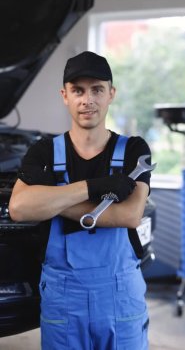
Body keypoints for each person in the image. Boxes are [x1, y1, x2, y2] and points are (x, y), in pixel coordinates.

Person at [9, 51, 152, 350]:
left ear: (111, 94)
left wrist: (53, 201)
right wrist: (93, 187)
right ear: (65, 96)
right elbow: (19, 208)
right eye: (78, 90)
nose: (88, 100)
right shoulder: (44, 151)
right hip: (63, 300)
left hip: (120, 297)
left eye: (97, 89)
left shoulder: (133, 150)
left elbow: (128, 215)